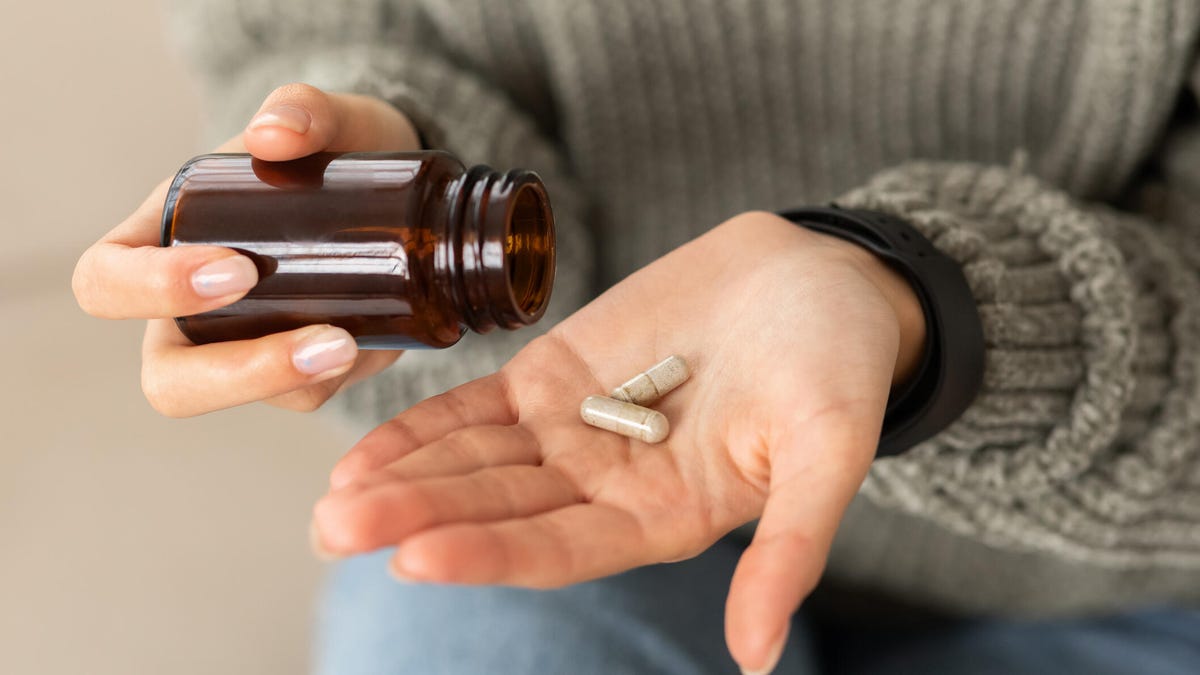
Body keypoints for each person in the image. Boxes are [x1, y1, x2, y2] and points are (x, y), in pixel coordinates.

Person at [72, 1, 1200, 673]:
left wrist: (924, 318)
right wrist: (391, 154)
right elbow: (327, 35)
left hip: (1122, 576)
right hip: (580, 516)